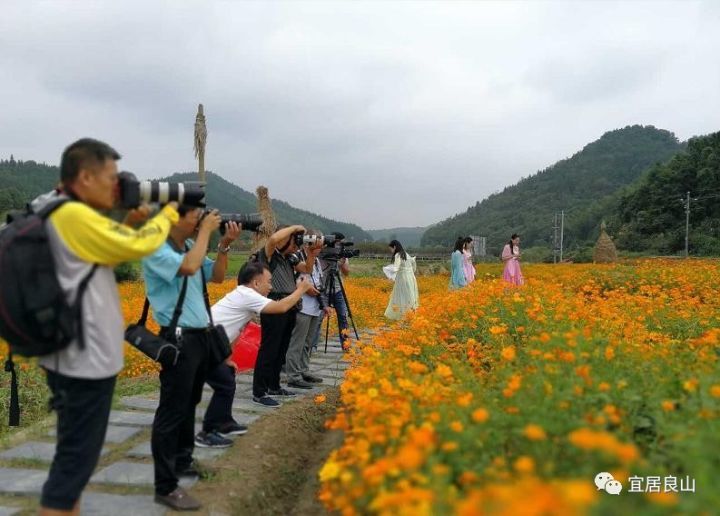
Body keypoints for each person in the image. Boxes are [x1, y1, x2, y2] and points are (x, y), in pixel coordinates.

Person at [37, 138, 179, 516]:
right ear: (85, 176)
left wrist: (127, 224)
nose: (117, 187)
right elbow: (134, 248)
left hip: (76, 356)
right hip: (82, 362)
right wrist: (166, 216)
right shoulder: (70, 214)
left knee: (75, 466)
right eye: (110, 177)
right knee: (71, 470)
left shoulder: (63, 212)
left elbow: (98, 256)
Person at [142, 205, 239, 511]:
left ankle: (183, 461)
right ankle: (165, 486)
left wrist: (223, 246)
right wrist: (208, 233)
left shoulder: (187, 246)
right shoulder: (156, 248)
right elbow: (187, 267)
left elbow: (218, 277)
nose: (200, 220)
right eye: (195, 215)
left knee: (190, 403)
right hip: (179, 338)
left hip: (200, 338)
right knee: (171, 411)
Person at [202, 262, 313, 437]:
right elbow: (281, 307)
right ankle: (209, 431)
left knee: (226, 381)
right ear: (255, 283)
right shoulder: (247, 295)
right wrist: (301, 289)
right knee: (217, 385)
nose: (271, 286)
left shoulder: (243, 297)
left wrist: (227, 359)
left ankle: (223, 422)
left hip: (210, 343)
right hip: (201, 343)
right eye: (268, 281)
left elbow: (235, 332)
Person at [252, 225, 316, 408]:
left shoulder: (290, 257)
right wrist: (295, 228)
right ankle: (259, 391)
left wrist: (311, 252)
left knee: (281, 351)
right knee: (269, 349)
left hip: (289, 306)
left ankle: (274, 386)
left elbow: (307, 269)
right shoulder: (268, 254)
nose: (296, 246)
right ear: (284, 239)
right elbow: (272, 240)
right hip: (274, 305)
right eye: (294, 241)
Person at [285, 231, 329, 389]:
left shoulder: (316, 261)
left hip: (314, 307)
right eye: (316, 244)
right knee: (297, 342)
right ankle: (293, 375)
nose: (319, 247)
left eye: (320, 244)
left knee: (308, 343)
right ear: (306, 243)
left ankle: (303, 370)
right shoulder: (296, 256)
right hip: (302, 306)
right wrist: (305, 288)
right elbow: (291, 278)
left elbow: (317, 280)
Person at [318, 233, 351, 349]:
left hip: (337, 289)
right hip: (323, 289)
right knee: (318, 318)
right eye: (339, 243)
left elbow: (346, 272)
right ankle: (312, 345)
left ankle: (345, 344)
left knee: (343, 316)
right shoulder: (322, 252)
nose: (340, 246)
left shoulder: (341, 254)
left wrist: (341, 263)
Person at [384, 239, 419, 320]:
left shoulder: (398, 255)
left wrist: (388, 272)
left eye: (391, 249)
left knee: (400, 296)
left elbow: (396, 268)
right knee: (410, 296)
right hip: (411, 278)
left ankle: (402, 316)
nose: (391, 251)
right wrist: (410, 273)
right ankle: (411, 315)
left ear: (395, 247)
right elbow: (413, 265)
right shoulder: (406, 254)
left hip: (402, 279)